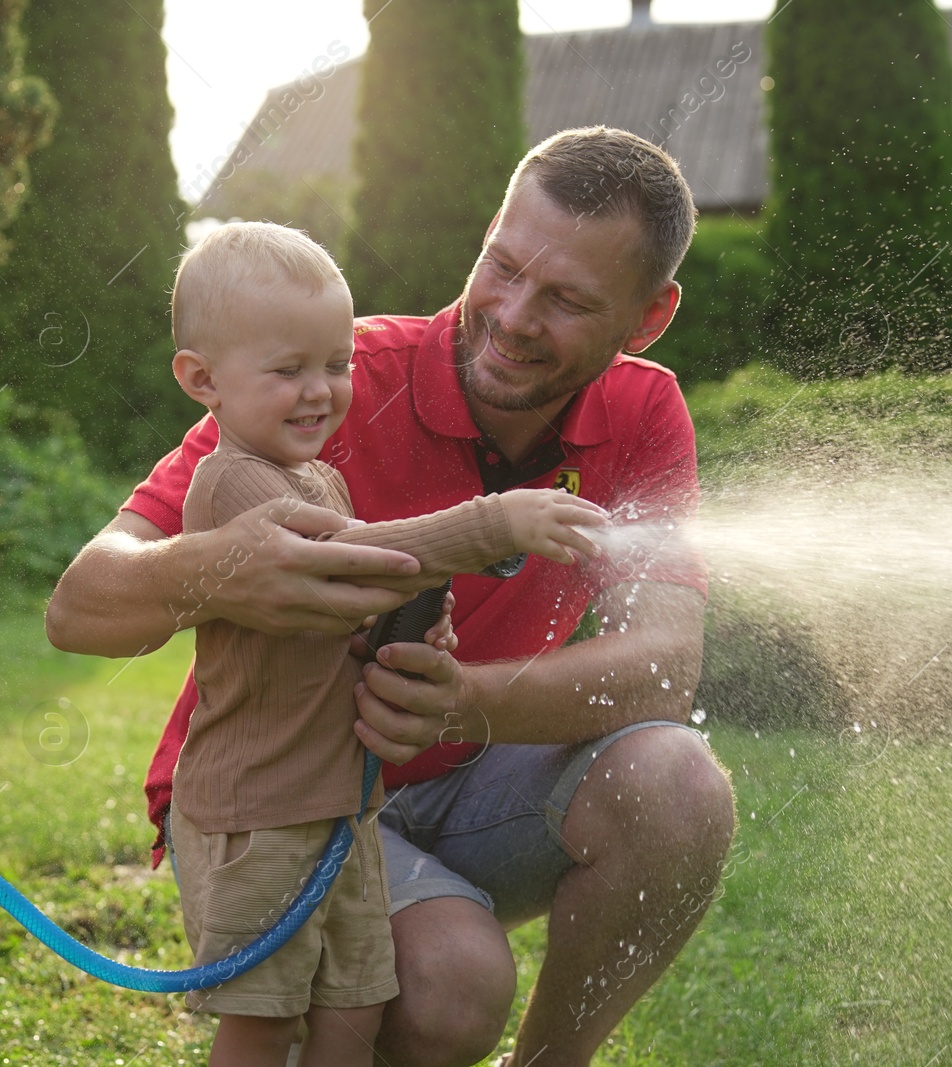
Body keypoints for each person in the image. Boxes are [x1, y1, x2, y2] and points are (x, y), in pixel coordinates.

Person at [47, 126, 736, 1067]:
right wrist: (213, 567)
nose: (514, 314)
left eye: (568, 299)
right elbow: (80, 604)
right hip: (280, 792)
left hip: (462, 773)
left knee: (680, 784)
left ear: (647, 319)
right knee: (451, 986)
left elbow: (663, 665)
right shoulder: (327, 379)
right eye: (502, 266)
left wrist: (464, 704)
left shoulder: (646, 412)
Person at [160, 222, 608, 1066]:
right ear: (202, 380)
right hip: (260, 811)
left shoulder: (320, 476)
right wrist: (493, 522)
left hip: (342, 808)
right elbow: (346, 559)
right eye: (287, 369)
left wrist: (408, 623)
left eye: (336, 364)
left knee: (356, 1003)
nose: (319, 390)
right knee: (266, 1019)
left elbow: (355, 598)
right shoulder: (232, 484)